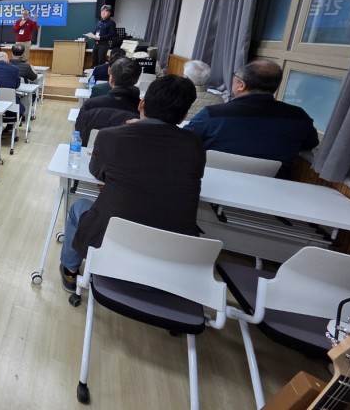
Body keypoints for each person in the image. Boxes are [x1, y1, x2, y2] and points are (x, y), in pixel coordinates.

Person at [59, 74, 204, 293]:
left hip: (113, 240)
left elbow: (97, 171)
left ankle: (70, 271)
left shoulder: (110, 136)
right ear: (184, 115)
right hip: (173, 252)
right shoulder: (194, 145)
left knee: (78, 206)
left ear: (141, 104)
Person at [184, 59, 318, 178]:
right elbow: (310, 143)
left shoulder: (211, 114)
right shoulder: (299, 117)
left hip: (213, 184)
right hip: (272, 191)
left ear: (241, 85)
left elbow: (183, 141)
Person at [74, 57, 141, 145]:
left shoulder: (90, 105)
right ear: (136, 81)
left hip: (92, 151)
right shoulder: (141, 109)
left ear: (111, 79)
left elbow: (79, 134)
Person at [0, 51, 23, 119]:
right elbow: (17, 86)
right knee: (21, 108)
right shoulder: (15, 69)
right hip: (11, 105)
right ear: (7, 60)